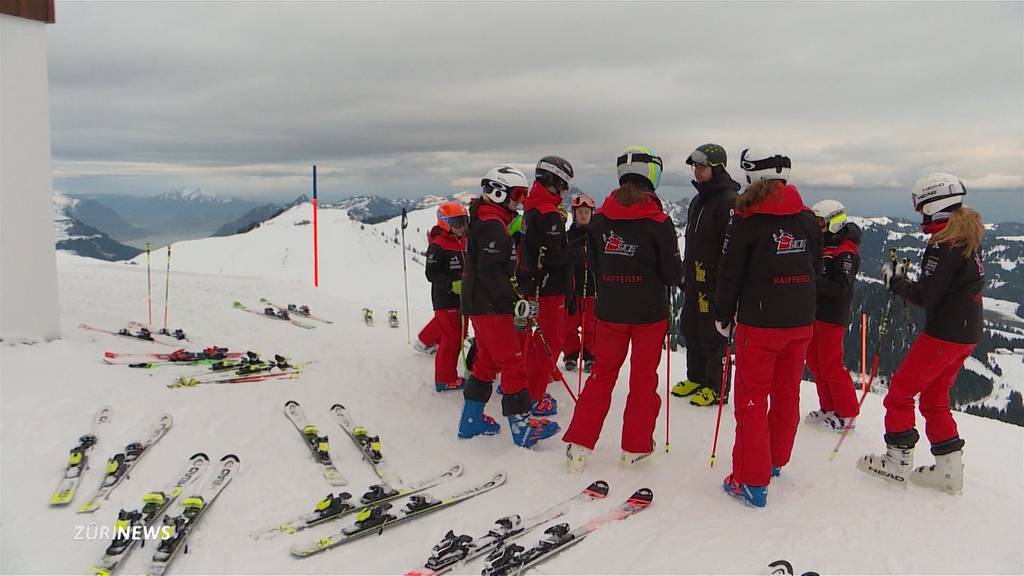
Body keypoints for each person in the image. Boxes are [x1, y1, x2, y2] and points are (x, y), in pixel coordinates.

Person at [858, 173, 982, 495]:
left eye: (922, 208)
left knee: (899, 392)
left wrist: (894, 282)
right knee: (934, 397)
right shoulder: (966, 235)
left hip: (944, 334)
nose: (920, 215)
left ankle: (897, 463)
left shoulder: (944, 244)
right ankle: (948, 473)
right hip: (966, 333)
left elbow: (927, 297)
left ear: (933, 205)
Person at [563, 146, 682, 472]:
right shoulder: (658, 222)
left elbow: (597, 267)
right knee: (643, 382)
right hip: (648, 314)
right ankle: (635, 448)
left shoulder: (600, 220)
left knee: (601, 376)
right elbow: (673, 274)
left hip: (610, 310)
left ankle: (579, 446)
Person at [715, 146, 820, 507]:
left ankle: (750, 479)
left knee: (752, 399)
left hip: (760, 323)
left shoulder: (746, 219)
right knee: (787, 393)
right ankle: (774, 461)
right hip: (801, 320)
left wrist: (722, 314)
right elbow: (814, 265)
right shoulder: (807, 218)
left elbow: (730, 273)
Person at [459, 165, 560, 448]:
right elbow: (491, 272)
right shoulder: (492, 224)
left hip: (481, 304)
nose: (520, 201)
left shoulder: (488, 218)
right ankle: (522, 426)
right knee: (513, 363)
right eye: (516, 194)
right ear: (498, 191)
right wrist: (515, 303)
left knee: (487, 361)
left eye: (523, 194)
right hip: (491, 307)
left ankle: (471, 419)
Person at [670, 144, 741, 407]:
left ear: (717, 167)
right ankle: (697, 377)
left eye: (702, 167)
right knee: (692, 328)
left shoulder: (728, 201)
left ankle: (717, 387)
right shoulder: (700, 200)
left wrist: (725, 283)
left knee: (714, 335)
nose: (697, 172)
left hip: (714, 281)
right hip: (694, 278)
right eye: (695, 167)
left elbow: (730, 247)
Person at [520, 156, 580, 417]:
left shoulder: (533, 207)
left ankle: (530, 384)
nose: (565, 191)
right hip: (549, 286)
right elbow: (554, 256)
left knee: (539, 337)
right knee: (550, 340)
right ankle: (533, 396)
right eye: (564, 185)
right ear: (553, 181)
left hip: (534, 282)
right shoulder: (548, 213)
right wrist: (582, 255)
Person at [805, 199, 862, 431]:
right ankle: (829, 406)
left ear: (833, 223)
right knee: (816, 363)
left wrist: (811, 279)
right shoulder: (824, 245)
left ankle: (847, 413)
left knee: (830, 365)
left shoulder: (845, 252)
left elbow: (840, 288)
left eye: (820, 222)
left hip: (832, 316)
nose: (817, 226)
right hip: (815, 313)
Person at [425, 201, 470, 392]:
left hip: (464, 299)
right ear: (445, 223)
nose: (462, 227)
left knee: (459, 338)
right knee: (451, 340)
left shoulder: (465, 241)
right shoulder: (438, 245)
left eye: (465, 222)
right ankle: (444, 378)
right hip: (445, 301)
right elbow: (431, 273)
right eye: (458, 223)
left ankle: (448, 375)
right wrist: (451, 284)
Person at [562, 193, 598, 373]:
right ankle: (570, 355)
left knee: (591, 325)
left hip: (592, 289)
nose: (583, 215)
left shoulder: (597, 237)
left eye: (586, 212)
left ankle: (590, 356)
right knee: (569, 325)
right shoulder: (567, 237)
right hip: (573, 289)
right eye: (580, 212)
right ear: (574, 214)